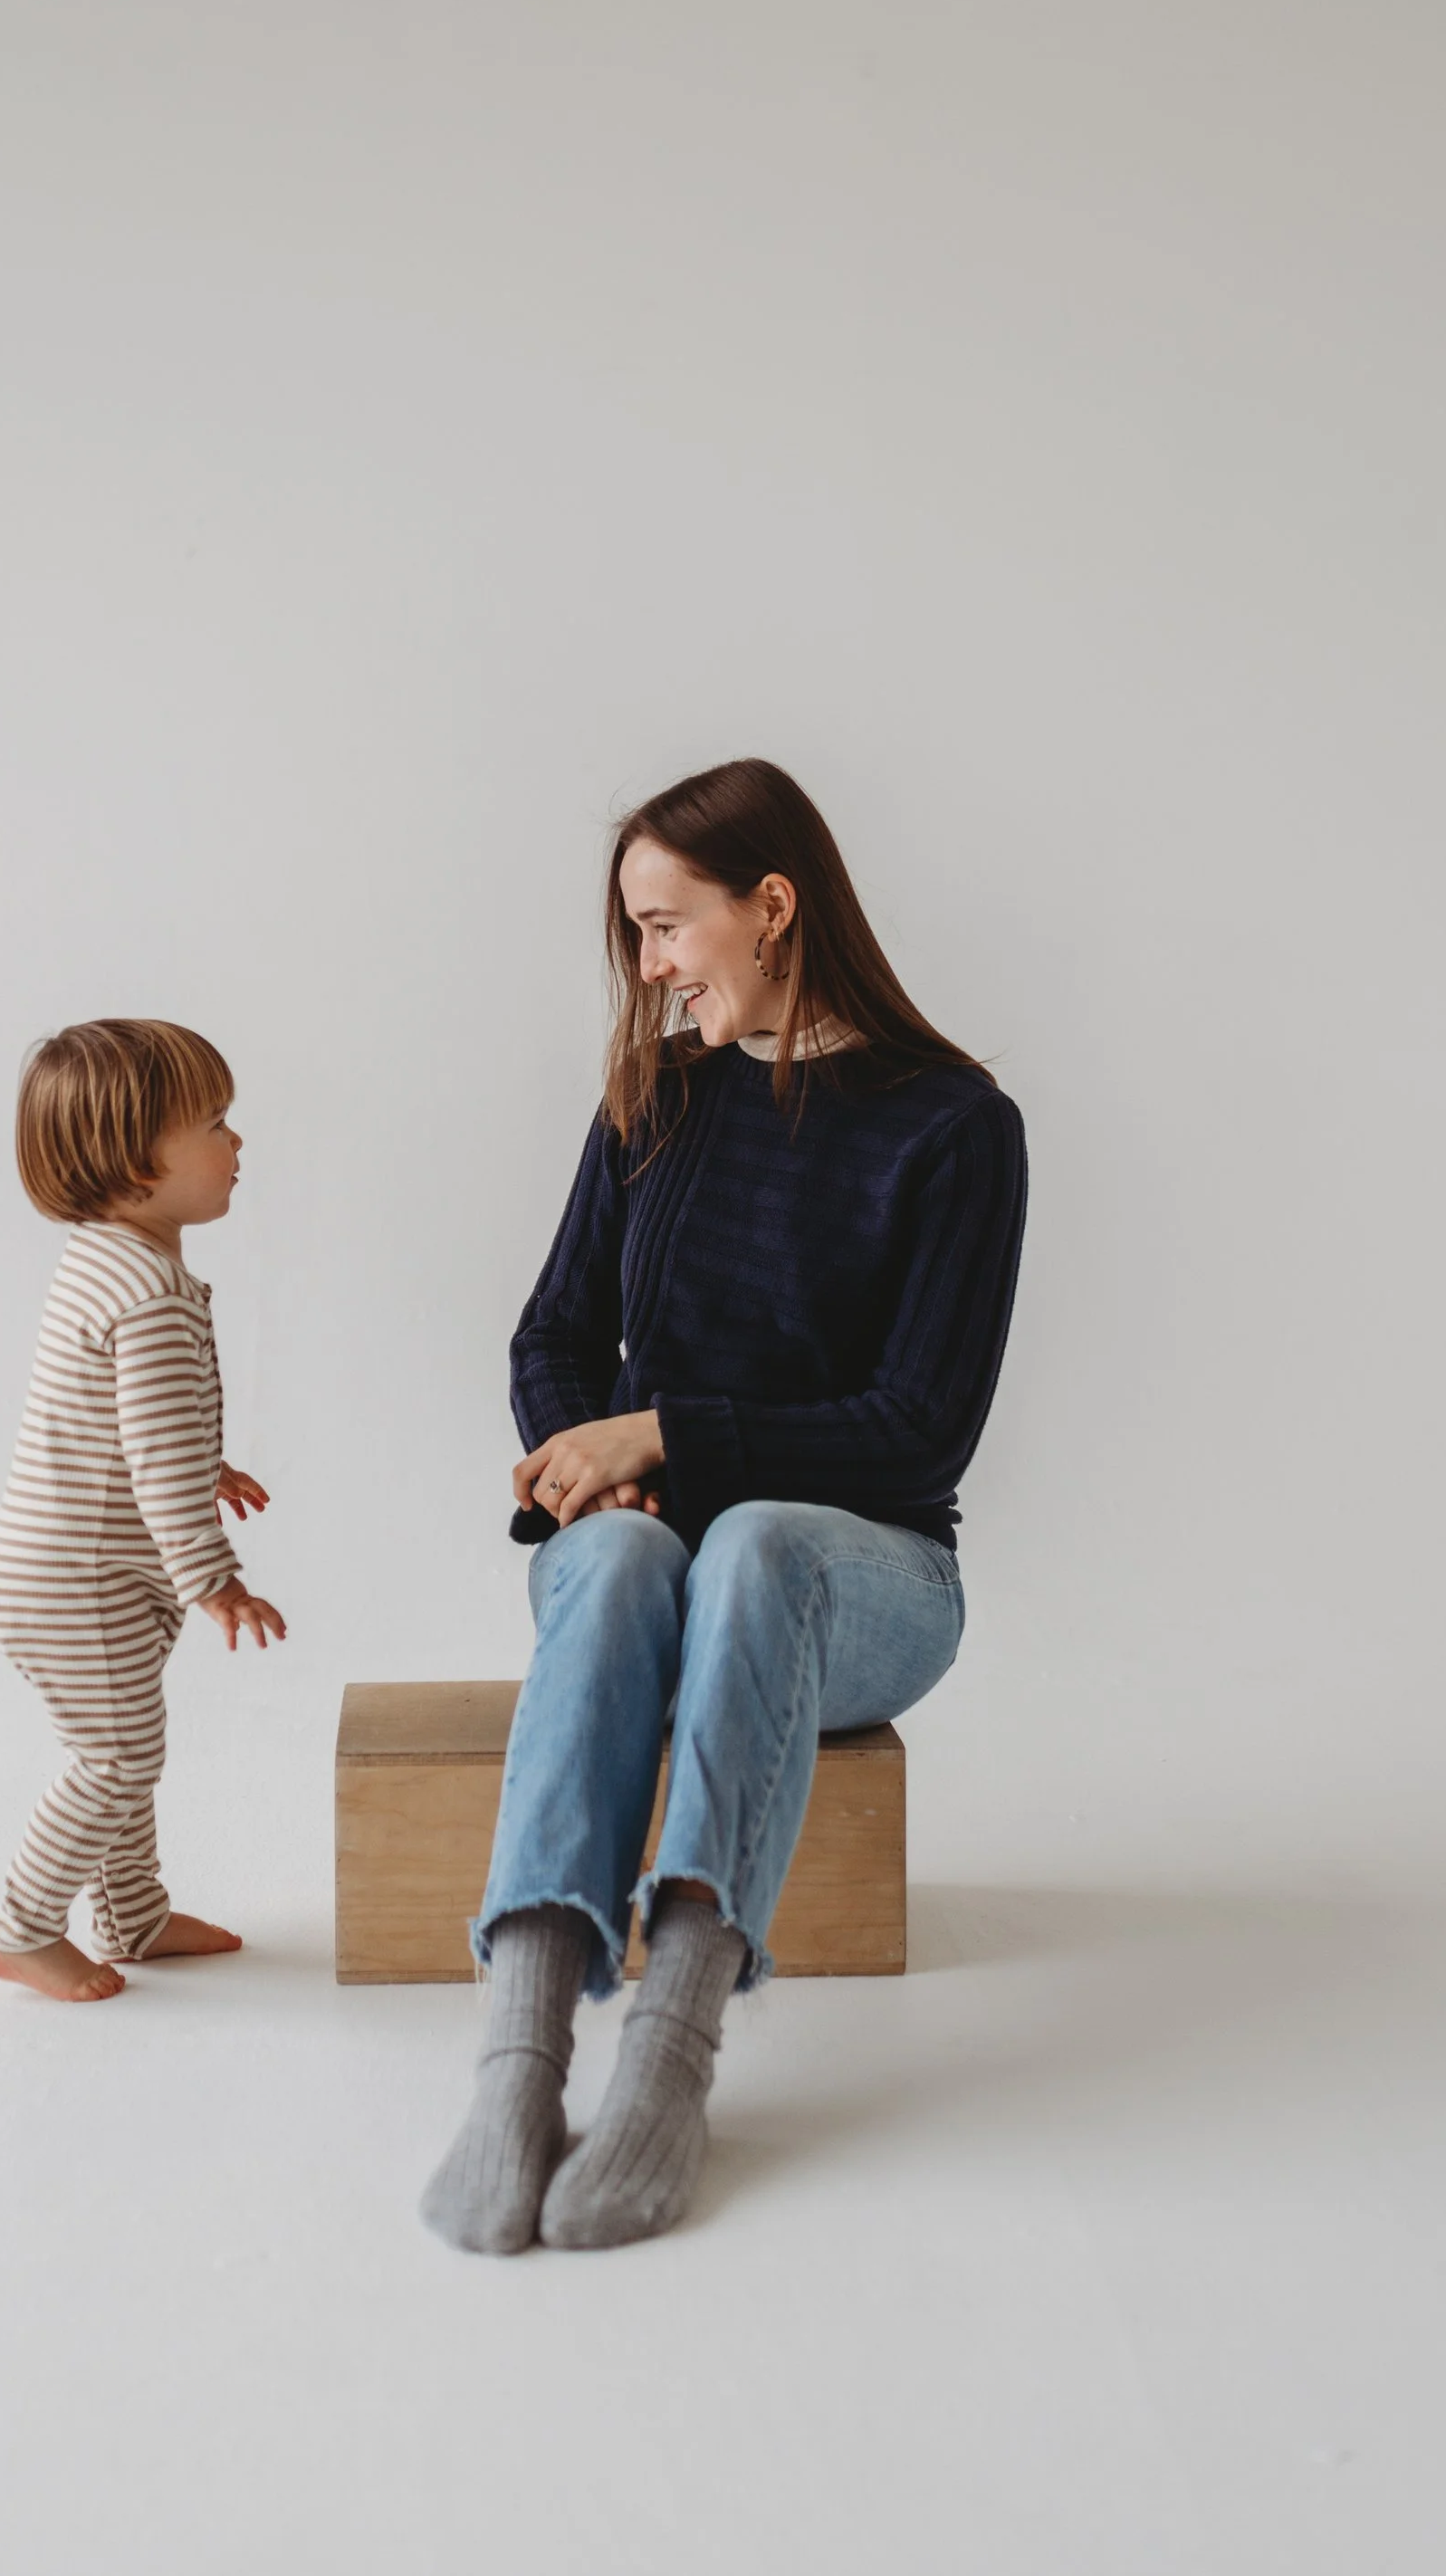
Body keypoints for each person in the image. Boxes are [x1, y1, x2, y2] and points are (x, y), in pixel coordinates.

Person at [422, 760, 1026, 2248]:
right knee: (632, 1555)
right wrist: (595, 1463)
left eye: (664, 925)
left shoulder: (955, 1128)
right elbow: (553, 1340)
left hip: (865, 1579)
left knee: (747, 1539)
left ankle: (669, 2068)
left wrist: (666, 1435)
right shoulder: (660, 1101)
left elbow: (918, 1433)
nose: (647, 966)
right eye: (631, 933)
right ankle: (519, 2066)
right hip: (648, 1569)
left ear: (771, 907)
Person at [0, 1018, 285, 2004]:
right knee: (117, 1753)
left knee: (125, 1737)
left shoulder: (106, 1260)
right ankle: (21, 1927)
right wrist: (213, 1578)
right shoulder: (146, 1291)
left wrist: (210, 1464)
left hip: (68, 1570)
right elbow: (152, 1455)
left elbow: (130, 1422)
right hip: (80, 1580)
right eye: (213, 1122)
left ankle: (133, 1916)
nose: (236, 1142)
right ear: (131, 1164)